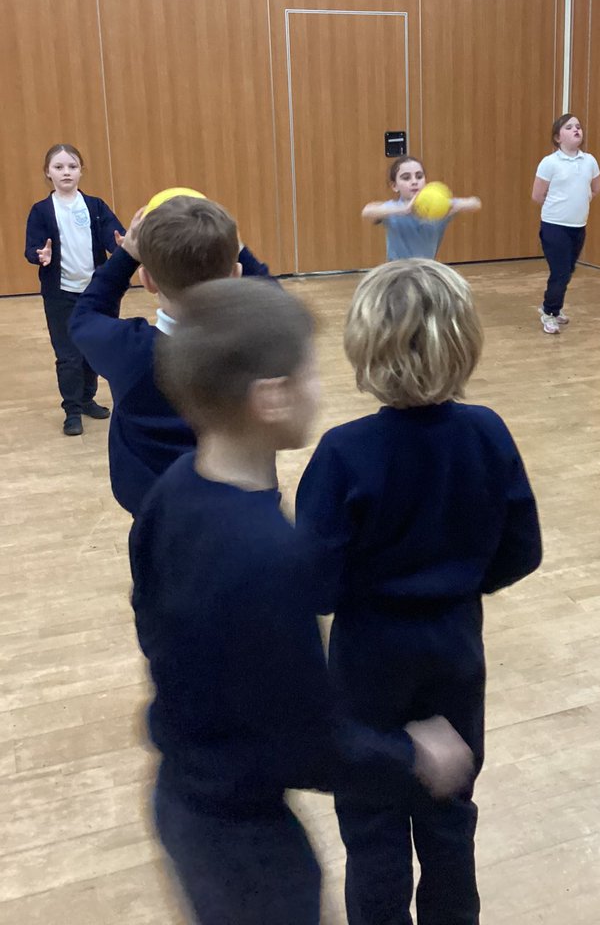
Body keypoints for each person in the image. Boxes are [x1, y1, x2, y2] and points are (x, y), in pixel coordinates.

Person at [131, 277, 473, 924]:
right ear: (272, 397)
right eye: (311, 372)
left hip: (180, 796)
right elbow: (308, 742)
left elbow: (147, 612)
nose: (321, 386)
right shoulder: (268, 555)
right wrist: (415, 759)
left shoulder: (173, 487)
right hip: (249, 844)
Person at [294, 258, 542, 924]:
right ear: (464, 343)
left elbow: (314, 585)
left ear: (363, 347)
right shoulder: (487, 431)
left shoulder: (343, 453)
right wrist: (456, 586)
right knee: (450, 817)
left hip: (367, 662)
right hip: (455, 651)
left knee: (372, 829)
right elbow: (524, 550)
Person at [69, 195, 270, 517]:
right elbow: (274, 299)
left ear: (146, 280)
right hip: (241, 508)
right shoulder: (255, 344)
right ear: (235, 274)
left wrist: (125, 256)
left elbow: (85, 316)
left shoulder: (130, 352)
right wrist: (238, 246)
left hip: (156, 510)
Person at [24, 144, 123, 435]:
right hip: (60, 293)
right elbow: (33, 247)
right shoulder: (42, 211)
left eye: (72, 166)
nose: (66, 172)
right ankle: (72, 410)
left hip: (95, 292)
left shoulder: (95, 206)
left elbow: (113, 236)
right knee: (68, 354)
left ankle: (87, 398)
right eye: (59, 167)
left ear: (81, 171)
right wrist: (39, 255)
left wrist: (121, 244)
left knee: (92, 348)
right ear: (48, 173)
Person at [531, 113, 600, 335]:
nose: (576, 130)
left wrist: (580, 200)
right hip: (554, 226)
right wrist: (558, 208)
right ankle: (549, 312)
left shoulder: (589, 160)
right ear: (557, 137)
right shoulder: (549, 163)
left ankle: (554, 306)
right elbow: (537, 195)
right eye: (569, 127)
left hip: (578, 227)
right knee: (560, 272)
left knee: (568, 271)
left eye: (578, 126)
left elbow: (596, 189)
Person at [361, 156, 481, 261]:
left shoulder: (438, 209)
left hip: (426, 272)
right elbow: (367, 212)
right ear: (394, 186)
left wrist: (449, 205)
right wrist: (404, 210)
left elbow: (475, 203)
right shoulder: (394, 208)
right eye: (406, 178)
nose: (414, 181)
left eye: (419, 176)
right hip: (397, 273)